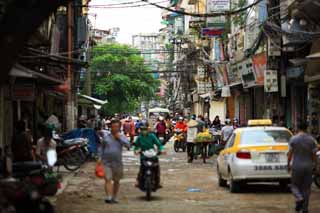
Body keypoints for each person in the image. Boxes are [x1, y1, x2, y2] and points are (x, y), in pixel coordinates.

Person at [97, 120, 130, 204]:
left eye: (116, 127)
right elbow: (101, 148)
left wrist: (119, 138)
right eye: (113, 126)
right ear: (110, 127)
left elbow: (128, 145)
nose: (115, 128)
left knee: (116, 180)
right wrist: (99, 157)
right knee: (108, 179)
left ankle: (114, 197)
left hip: (118, 162)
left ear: (119, 128)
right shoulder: (106, 136)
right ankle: (109, 196)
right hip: (106, 162)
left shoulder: (122, 136)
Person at [287, 122, 318, 212]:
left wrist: (288, 164)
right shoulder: (312, 140)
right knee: (306, 189)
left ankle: (299, 198)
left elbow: (290, 154)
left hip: (297, 166)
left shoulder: (293, 139)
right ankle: (305, 209)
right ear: (307, 128)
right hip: (308, 166)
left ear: (298, 128)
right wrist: (316, 165)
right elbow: (314, 155)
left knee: (294, 186)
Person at [134, 122, 165, 188]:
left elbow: (159, 144)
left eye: (145, 129)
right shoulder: (139, 138)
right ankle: (138, 181)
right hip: (143, 155)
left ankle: (158, 181)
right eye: (142, 129)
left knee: (156, 168)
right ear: (140, 130)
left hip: (152, 155)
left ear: (148, 129)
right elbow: (136, 146)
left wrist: (161, 149)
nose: (144, 131)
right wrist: (136, 151)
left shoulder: (152, 136)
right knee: (142, 168)